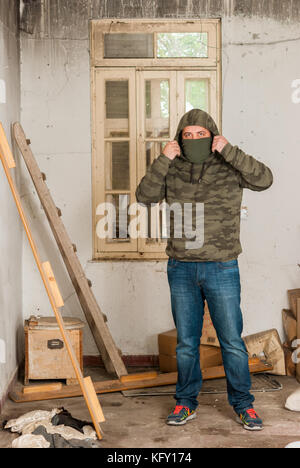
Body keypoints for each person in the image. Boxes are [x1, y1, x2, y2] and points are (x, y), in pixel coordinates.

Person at [135, 109, 273, 431]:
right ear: (179, 138)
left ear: (212, 136)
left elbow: (264, 179)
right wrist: (162, 159)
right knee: (186, 343)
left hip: (222, 266)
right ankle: (185, 403)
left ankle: (243, 405)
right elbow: (145, 197)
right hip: (181, 267)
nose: (194, 139)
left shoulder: (229, 164)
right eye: (188, 134)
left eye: (201, 134)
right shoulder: (172, 167)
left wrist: (230, 150)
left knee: (231, 342)